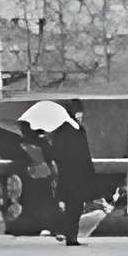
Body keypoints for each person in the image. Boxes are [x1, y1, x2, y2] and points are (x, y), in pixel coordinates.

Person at [45, 103, 100, 248]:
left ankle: (68, 234)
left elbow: (55, 153)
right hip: (77, 175)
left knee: (70, 206)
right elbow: (85, 155)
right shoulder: (78, 130)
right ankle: (71, 236)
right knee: (75, 207)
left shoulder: (59, 131)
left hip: (66, 174)